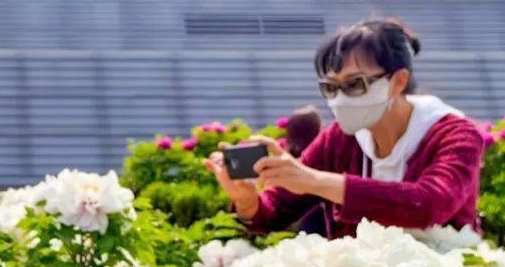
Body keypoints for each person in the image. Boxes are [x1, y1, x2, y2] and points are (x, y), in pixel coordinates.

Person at [205, 18, 484, 237]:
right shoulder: (339, 138)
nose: (339, 99)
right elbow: (275, 211)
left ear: (398, 81)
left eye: (354, 84)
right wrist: (247, 201)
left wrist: (313, 180)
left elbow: (428, 205)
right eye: (330, 87)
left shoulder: (455, 134)